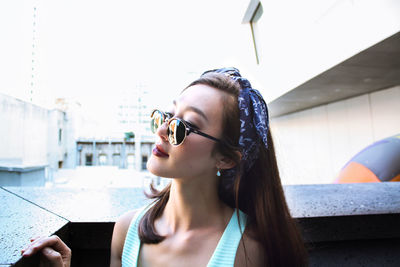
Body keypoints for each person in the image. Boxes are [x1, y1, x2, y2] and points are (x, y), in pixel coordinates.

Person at [21, 67, 308, 266]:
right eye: (168, 116)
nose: (162, 131)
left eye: (184, 126)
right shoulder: (127, 230)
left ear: (226, 158)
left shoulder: (249, 251)